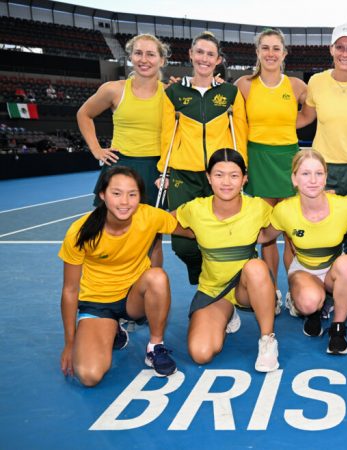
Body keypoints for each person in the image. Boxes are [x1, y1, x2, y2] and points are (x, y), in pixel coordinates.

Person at [59, 166, 188, 387]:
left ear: (140, 197)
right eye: (116, 193)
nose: (124, 202)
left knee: (157, 277)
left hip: (132, 298)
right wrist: (69, 343)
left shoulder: (150, 216)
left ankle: (155, 347)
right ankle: (112, 330)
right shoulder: (80, 231)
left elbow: (193, 230)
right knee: (89, 376)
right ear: (102, 194)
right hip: (97, 304)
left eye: (132, 194)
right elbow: (70, 291)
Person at [173, 148, 279, 372]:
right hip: (213, 291)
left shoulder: (258, 207)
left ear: (244, 179)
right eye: (219, 175)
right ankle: (227, 313)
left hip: (245, 286)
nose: (226, 182)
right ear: (209, 178)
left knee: (256, 268)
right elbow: (158, 221)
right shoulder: (195, 209)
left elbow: (281, 224)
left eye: (234, 175)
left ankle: (267, 340)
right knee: (201, 353)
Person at [159, 31, 247, 285]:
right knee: (183, 245)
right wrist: (162, 172)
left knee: (224, 237)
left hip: (220, 177)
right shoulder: (174, 93)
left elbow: (239, 135)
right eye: (200, 52)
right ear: (190, 54)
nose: (204, 59)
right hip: (182, 176)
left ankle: (221, 291)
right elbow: (167, 136)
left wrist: (243, 170)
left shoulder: (230, 93)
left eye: (210, 54)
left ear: (218, 59)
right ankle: (204, 280)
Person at [77, 33, 170, 266]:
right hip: (120, 167)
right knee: (109, 231)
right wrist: (97, 149)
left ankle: (152, 291)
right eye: (138, 53)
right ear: (130, 57)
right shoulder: (114, 89)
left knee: (152, 237)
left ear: (162, 60)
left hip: (154, 170)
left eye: (150, 54)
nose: (144, 59)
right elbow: (84, 114)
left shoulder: (170, 94)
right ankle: (109, 287)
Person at [261, 149, 347, 354]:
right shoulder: (284, 210)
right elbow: (263, 237)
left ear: (325, 177)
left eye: (319, 173)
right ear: (294, 179)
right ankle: (314, 311)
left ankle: (338, 329)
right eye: (305, 173)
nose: (313, 180)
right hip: (304, 269)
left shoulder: (344, 206)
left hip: (333, 269)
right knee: (308, 302)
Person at [297, 23, 347, 267]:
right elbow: (305, 118)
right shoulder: (316, 82)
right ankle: (325, 289)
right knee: (324, 232)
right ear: (331, 50)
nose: (345, 52)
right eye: (340, 47)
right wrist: (265, 121)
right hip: (324, 170)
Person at [235, 28, 307, 298]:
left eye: (276, 48)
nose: (270, 53)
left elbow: (309, 114)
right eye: (265, 47)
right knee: (266, 232)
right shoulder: (244, 84)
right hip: (258, 160)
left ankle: (295, 292)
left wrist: (288, 125)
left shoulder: (297, 86)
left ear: (284, 53)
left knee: (291, 231)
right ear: (257, 52)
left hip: (288, 160)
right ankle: (271, 291)